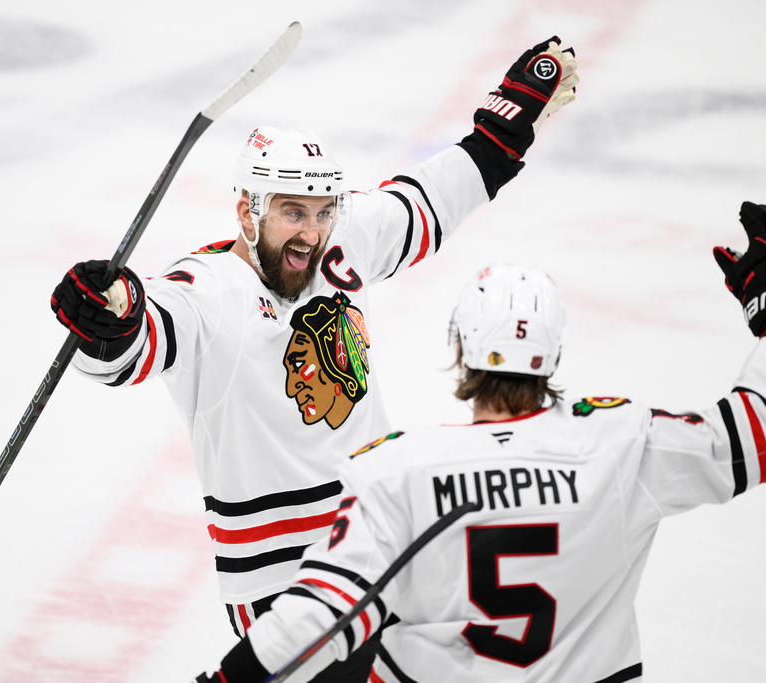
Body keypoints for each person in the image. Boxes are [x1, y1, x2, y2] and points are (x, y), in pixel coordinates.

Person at [49, 36, 579, 680]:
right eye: (291, 212)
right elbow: (138, 339)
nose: (310, 232)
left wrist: (503, 128)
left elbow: (427, 202)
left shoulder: (334, 246)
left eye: (323, 213)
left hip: (380, 547)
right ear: (248, 210)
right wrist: (108, 318)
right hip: (283, 585)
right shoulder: (209, 293)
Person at [193, 201, 766, 683]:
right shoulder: (619, 441)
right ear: (552, 354)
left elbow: (318, 621)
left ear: (460, 348)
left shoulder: (399, 472)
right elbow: (764, 433)